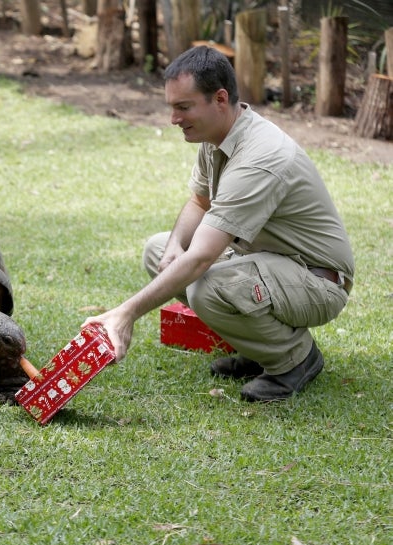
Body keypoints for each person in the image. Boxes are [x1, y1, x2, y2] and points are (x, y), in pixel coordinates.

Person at [83, 45, 354, 402]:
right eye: (171, 107)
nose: (173, 119)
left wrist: (126, 314)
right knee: (158, 251)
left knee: (206, 285)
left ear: (220, 99)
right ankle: (258, 347)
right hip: (267, 260)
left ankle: (295, 359)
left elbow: (201, 258)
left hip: (317, 281)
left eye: (183, 107)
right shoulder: (217, 136)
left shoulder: (261, 156)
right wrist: (175, 245)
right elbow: (200, 201)